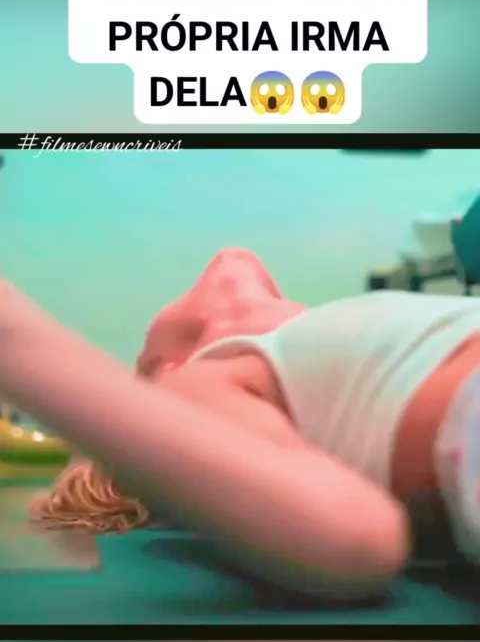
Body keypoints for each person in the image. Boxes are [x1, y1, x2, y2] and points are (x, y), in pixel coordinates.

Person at [2, 247, 480, 597]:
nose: (226, 261)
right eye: (145, 363)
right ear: (165, 373)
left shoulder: (342, 346)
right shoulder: (204, 380)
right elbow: (357, 540)